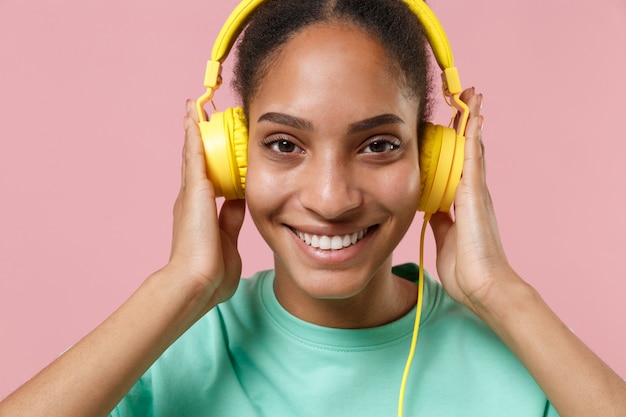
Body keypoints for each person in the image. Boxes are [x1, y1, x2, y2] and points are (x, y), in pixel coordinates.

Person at [1, 0, 625, 416]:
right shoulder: (164, 354)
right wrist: (179, 286)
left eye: (379, 145)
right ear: (228, 159)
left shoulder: (522, 368)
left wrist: (503, 294)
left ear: (440, 164)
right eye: (283, 144)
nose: (330, 199)